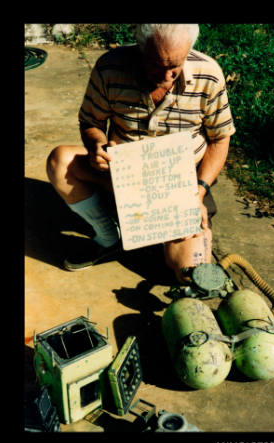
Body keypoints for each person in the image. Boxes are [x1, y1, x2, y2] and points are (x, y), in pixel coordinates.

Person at [46, 24, 235, 283]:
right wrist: (96, 146)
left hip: (180, 187)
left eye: (176, 65)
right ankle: (109, 237)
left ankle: (169, 237)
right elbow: (91, 122)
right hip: (123, 177)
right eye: (158, 65)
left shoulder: (209, 74)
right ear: (140, 49)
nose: (168, 76)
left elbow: (220, 139)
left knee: (192, 276)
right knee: (60, 162)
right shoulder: (109, 68)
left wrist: (199, 191)